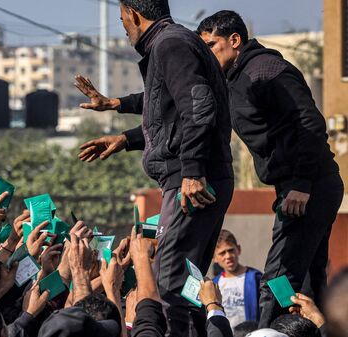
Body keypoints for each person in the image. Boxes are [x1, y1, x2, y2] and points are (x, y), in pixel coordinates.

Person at [74, 0, 234, 335]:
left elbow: (198, 106)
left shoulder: (171, 44)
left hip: (191, 180)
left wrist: (191, 172)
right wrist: (123, 129)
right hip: (195, 176)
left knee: (167, 280)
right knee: (186, 280)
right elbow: (166, 107)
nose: (124, 27)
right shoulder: (173, 43)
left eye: (122, 21)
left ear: (132, 14)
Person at [197, 10, 343, 328]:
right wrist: (121, 109)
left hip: (310, 185)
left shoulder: (266, 70)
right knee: (307, 281)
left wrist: (301, 184)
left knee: (277, 281)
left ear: (234, 40)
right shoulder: (227, 80)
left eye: (211, 45)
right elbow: (184, 101)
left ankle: (267, 334)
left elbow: (310, 122)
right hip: (296, 186)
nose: (206, 53)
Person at [212, 230, 262, 328]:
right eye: (222, 253)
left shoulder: (255, 277)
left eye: (231, 250)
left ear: (238, 249)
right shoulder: (214, 284)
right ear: (214, 258)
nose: (228, 256)